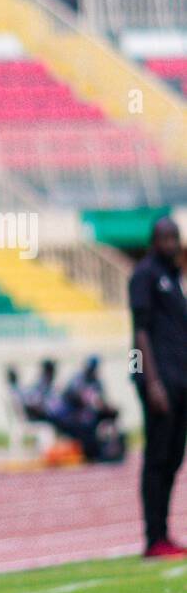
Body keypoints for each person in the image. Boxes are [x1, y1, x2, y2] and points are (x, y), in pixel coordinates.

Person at [129, 216, 187, 557]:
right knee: (157, 458)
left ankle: (164, 533)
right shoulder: (145, 275)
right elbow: (140, 332)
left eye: (175, 239)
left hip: (179, 382)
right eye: (165, 240)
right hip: (159, 383)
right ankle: (154, 538)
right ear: (154, 241)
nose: (171, 245)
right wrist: (150, 381)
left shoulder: (172, 278)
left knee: (174, 457)